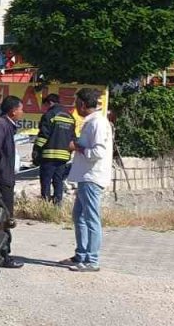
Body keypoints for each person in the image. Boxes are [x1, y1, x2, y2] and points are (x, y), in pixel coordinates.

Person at [65, 88, 114, 273]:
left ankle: (92, 260)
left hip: (92, 177)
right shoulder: (91, 122)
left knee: (91, 218)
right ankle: (81, 254)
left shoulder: (98, 123)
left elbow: (98, 152)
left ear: (83, 104)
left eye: (76, 103)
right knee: (79, 216)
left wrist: (78, 147)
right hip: (85, 176)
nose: (75, 107)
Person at [0, 96, 25, 269]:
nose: (22, 112)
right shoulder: (1, 125)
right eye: (21, 109)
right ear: (13, 111)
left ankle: (3, 253)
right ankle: (3, 255)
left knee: (6, 217)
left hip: (6, 177)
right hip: (1, 179)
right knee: (4, 218)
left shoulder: (8, 125)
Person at [33, 93, 76, 204]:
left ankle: (46, 204)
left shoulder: (49, 115)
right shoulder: (70, 117)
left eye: (45, 105)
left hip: (49, 156)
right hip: (63, 157)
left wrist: (36, 150)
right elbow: (72, 138)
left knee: (46, 181)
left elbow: (43, 136)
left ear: (50, 103)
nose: (44, 108)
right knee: (58, 181)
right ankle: (58, 204)